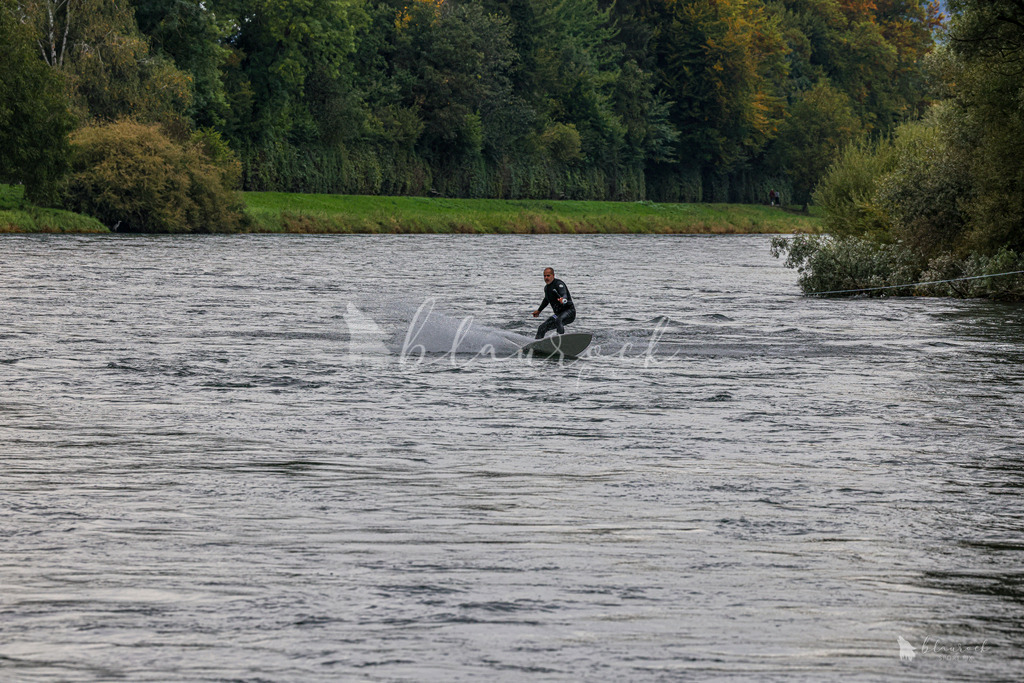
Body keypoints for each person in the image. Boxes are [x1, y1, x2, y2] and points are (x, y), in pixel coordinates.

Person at [532, 267, 576, 339]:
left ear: (553, 275)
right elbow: (546, 300)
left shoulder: (559, 284)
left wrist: (563, 299)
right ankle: (536, 345)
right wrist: (539, 310)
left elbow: (564, 294)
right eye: (544, 276)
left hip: (569, 312)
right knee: (542, 328)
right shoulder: (546, 288)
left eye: (548, 275)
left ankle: (560, 341)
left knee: (558, 320)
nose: (546, 278)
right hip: (558, 314)